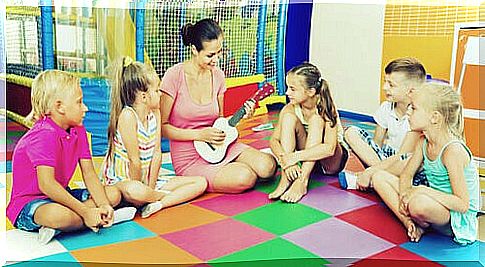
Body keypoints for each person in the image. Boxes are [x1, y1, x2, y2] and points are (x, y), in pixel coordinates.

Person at [6, 70, 135, 245]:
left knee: (113, 194)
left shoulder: (78, 129)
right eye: (79, 102)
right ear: (60, 107)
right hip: (28, 205)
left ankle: (80, 220)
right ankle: (80, 219)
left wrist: (104, 204)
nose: (86, 108)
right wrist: (85, 211)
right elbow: (47, 185)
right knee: (57, 215)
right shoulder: (43, 134)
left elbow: (89, 174)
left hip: (61, 196)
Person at [160, 18, 276, 193]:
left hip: (221, 146)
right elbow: (162, 127)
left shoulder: (218, 76)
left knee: (267, 166)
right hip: (190, 157)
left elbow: (220, 121)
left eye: (219, 52)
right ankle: (220, 174)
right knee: (245, 177)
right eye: (210, 55)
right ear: (194, 50)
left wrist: (243, 116)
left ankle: (228, 169)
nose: (216, 59)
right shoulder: (174, 76)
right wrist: (199, 134)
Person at [372, 83, 479, 245]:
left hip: (455, 218)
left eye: (413, 108)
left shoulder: (452, 151)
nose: (408, 112)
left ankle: (418, 219)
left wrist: (421, 191)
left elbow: (462, 205)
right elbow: (407, 174)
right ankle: (409, 223)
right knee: (379, 177)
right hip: (433, 206)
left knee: (418, 203)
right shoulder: (423, 141)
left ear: (434, 117)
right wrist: (404, 194)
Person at [101, 57, 207, 218]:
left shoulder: (155, 113)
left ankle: (158, 204)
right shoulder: (128, 116)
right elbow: (134, 161)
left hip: (150, 181)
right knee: (136, 190)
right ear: (144, 97)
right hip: (125, 182)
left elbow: (157, 153)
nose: (161, 94)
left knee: (201, 182)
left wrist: (149, 189)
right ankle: (159, 198)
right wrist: (143, 192)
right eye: (157, 90)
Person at [269, 62, 349, 203]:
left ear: (311, 92)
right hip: (307, 160)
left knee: (316, 120)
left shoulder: (326, 107)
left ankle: (302, 181)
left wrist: (295, 156)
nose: (287, 92)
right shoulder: (290, 108)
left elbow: (329, 149)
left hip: (330, 163)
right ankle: (285, 178)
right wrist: (287, 161)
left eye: (293, 89)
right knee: (288, 118)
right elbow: (274, 141)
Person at [343, 58, 427, 190]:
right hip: (386, 158)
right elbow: (377, 144)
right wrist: (375, 167)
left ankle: (372, 179)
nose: (384, 87)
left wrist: (370, 171)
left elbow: (403, 155)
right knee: (350, 132)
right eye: (385, 82)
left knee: (407, 160)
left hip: (406, 162)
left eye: (391, 85)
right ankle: (379, 177)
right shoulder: (386, 107)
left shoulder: (417, 115)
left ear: (410, 91)